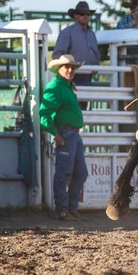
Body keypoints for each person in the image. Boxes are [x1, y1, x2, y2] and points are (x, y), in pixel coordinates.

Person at [40, 54, 88, 221]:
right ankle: (62, 209)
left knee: (80, 172)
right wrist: (55, 134)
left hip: (73, 133)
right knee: (64, 172)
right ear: (58, 69)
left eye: (72, 67)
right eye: (66, 67)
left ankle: (70, 208)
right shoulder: (55, 87)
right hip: (66, 134)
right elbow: (44, 113)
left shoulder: (66, 86)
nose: (69, 70)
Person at [52, 1, 101, 109]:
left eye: (88, 14)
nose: (86, 16)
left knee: (82, 110)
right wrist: (68, 69)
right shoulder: (67, 32)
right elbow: (57, 55)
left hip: (87, 78)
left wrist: (96, 65)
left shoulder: (91, 33)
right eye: (82, 14)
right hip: (71, 78)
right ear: (76, 15)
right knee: (71, 107)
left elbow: (96, 54)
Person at [116, 0, 138, 65]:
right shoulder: (123, 22)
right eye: (133, 8)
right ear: (130, 9)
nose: (135, 10)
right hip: (127, 62)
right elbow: (117, 41)